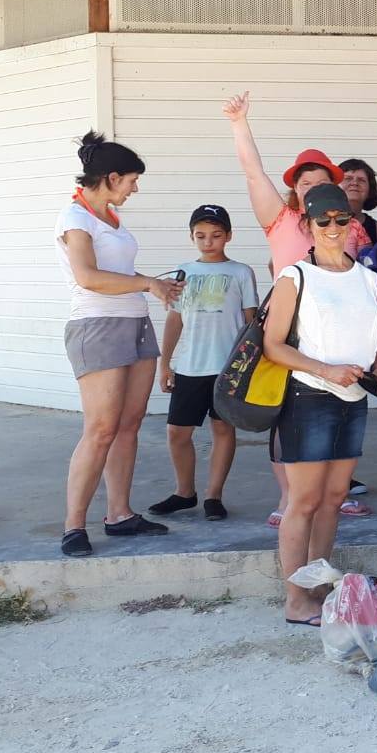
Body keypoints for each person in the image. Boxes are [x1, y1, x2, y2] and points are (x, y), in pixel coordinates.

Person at [222, 91, 371, 522]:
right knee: (284, 414)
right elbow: (253, 173)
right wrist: (239, 123)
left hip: (336, 336)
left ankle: (336, 491)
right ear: (294, 190)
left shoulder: (349, 227)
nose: (312, 188)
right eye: (304, 183)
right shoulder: (281, 220)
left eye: (321, 182)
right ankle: (288, 498)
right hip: (287, 334)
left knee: (339, 409)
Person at [261, 183, 377, 625]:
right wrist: (325, 370)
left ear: (352, 222)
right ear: (308, 224)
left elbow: (374, 339)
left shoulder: (366, 278)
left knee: (335, 497)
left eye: (341, 219)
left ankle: (319, 586)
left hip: (353, 398)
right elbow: (274, 346)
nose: (333, 227)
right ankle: (296, 599)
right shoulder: (295, 277)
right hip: (308, 397)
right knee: (303, 501)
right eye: (323, 220)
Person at [55, 132, 182, 558]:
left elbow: (118, 273)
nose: (135, 188)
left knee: (129, 424)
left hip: (135, 323)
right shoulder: (75, 217)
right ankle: (74, 526)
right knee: (101, 429)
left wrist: (156, 285)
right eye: (131, 180)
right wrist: (146, 283)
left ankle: (120, 514)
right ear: (111, 178)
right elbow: (88, 277)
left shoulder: (108, 216)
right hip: (98, 326)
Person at [153, 205, 258, 522]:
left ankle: (214, 495)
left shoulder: (241, 272)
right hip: (190, 366)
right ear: (191, 237)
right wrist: (165, 364)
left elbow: (251, 321)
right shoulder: (183, 272)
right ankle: (184, 492)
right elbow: (175, 320)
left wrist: (249, 365)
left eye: (216, 235)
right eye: (200, 236)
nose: (208, 241)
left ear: (229, 236)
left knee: (223, 430)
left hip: (227, 368)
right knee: (177, 432)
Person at [338, 159, 377, 245]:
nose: (355, 183)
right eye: (348, 178)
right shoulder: (322, 221)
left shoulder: (376, 229)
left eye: (361, 180)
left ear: (370, 189)